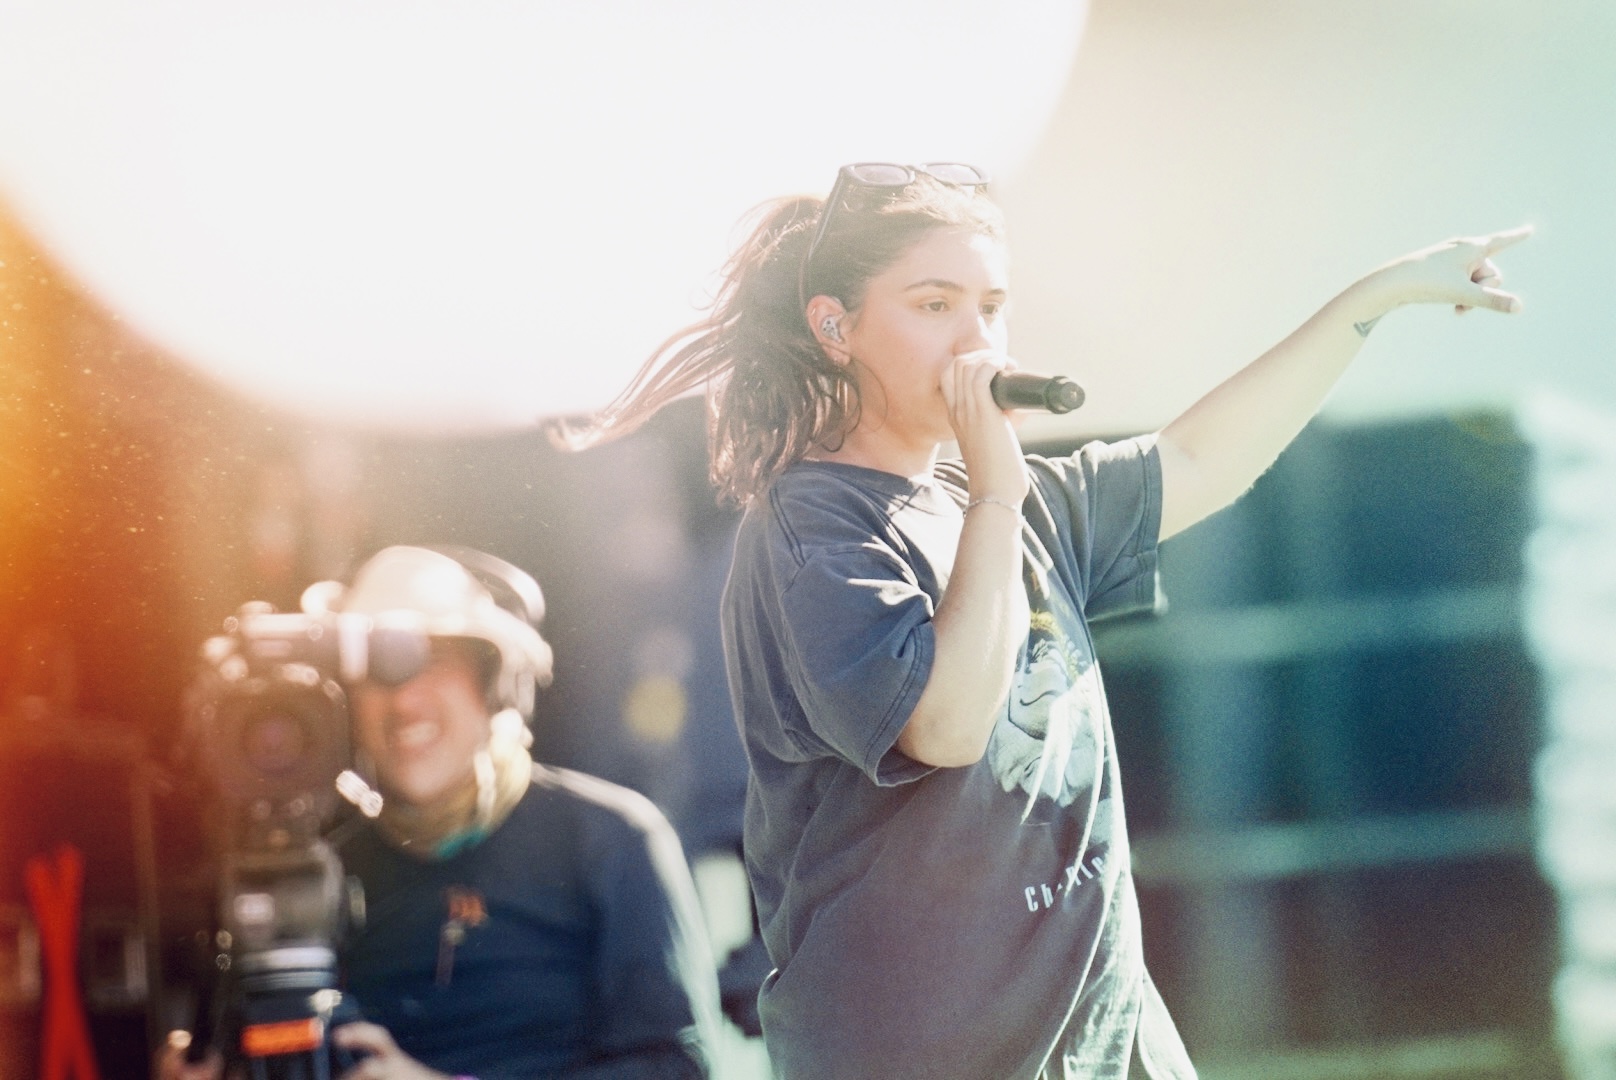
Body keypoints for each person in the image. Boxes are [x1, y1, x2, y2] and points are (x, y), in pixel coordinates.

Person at [556, 162, 1529, 1079]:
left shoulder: (1011, 504)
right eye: (934, 305)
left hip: (1098, 1042)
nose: (974, 340)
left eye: (991, 306)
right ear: (834, 325)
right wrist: (994, 490)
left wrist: (1374, 300)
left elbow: (1198, 459)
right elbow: (945, 727)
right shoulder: (811, 527)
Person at [160, 545, 723, 1080]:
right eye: (379, 673)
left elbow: (677, 1069)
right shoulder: (317, 873)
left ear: (493, 684)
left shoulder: (607, 840)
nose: (405, 701)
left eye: (430, 662)